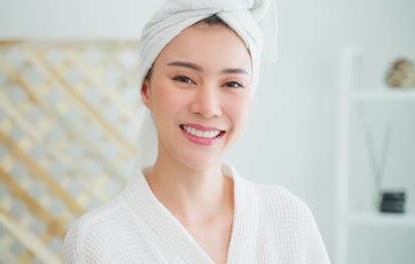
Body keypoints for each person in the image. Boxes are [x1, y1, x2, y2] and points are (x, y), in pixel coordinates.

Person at [63, 0, 330, 263]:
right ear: (146, 90)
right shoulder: (97, 240)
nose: (208, 107)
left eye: (232, 83)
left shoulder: (288, 219)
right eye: (184, 79)